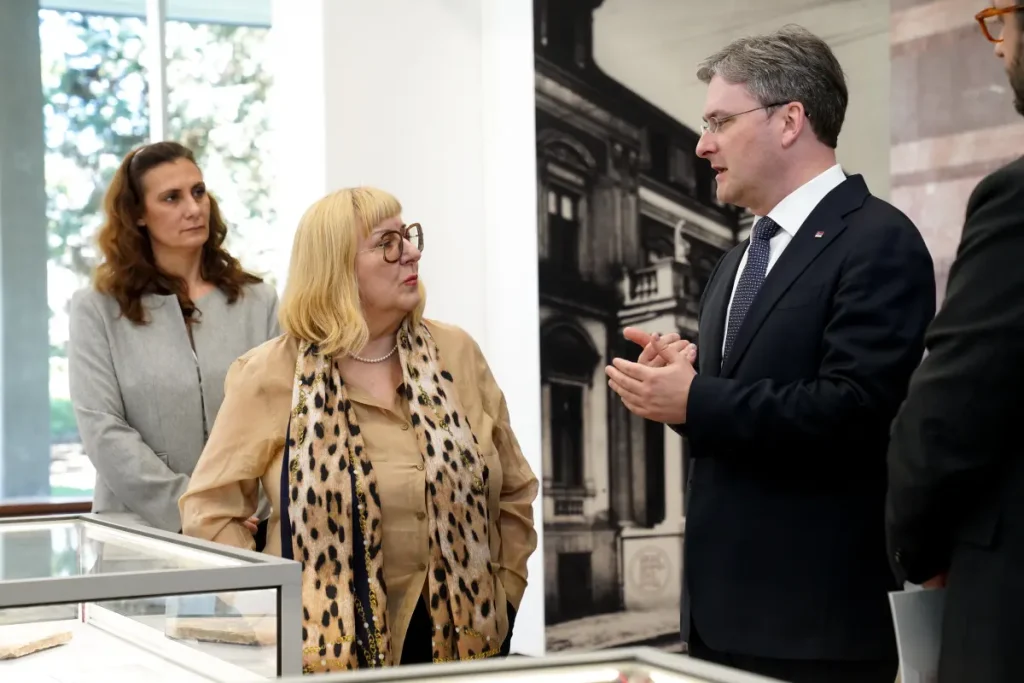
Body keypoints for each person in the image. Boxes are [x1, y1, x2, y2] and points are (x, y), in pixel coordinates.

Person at [605, 25, 936, 683]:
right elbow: (740, 418)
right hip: (718, 623)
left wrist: (697, 397)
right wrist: (682, 390)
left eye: (720, 121)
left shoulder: (878, 240)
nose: (703, 145)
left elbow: (857, 409)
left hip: (814, 630)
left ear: (790, 120)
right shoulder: (733, 263)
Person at [179, 186, 539, 673]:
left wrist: (507, 593)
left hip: (467, 646)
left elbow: (514, 490)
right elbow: (208, 510)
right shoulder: (269, 373)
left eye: (408, 236)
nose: (410, 251)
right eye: (387, 242)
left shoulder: (457, 353)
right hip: (325, 658)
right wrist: (269, 609)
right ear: (336, 267)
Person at [886, 3, 1024, 682]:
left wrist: (917, 549)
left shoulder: (1017, 197)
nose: (998, 48)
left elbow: (946, 416)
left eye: (1004, 20)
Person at [68, 141, 279, 534]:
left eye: (198, 192)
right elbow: (103, 428)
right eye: (171, 197)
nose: (193, 208)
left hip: (247, 528)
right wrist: (193, 509)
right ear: (138, 215)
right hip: (138, 534)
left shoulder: (259, 301)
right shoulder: (96, 309)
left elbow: (281, 419)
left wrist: (249, 508)